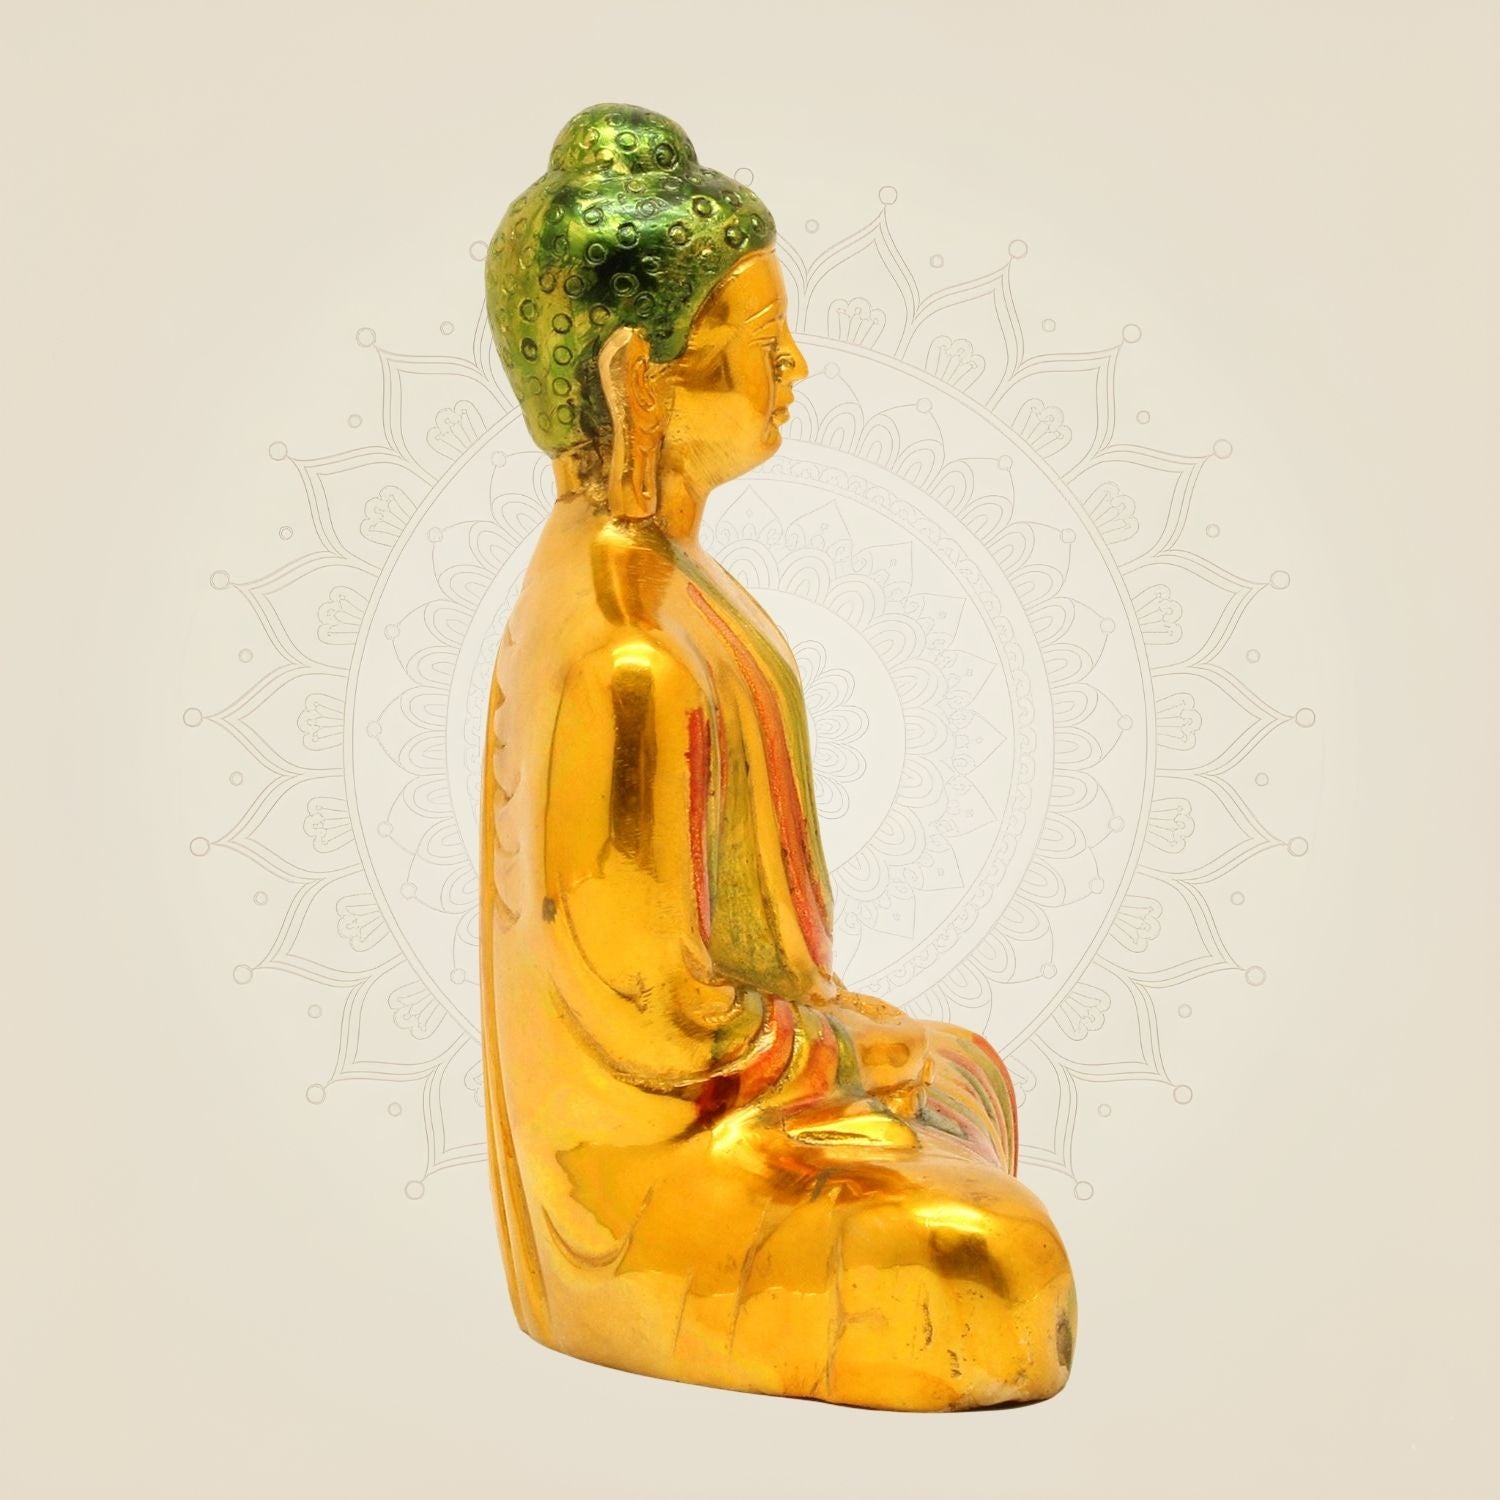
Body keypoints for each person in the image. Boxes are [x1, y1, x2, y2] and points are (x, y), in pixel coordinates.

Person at [480, 103, 1076, 1410]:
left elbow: (742, 981)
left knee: (969, 1067)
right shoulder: (624, 650)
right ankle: (629, 1299)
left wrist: (857, 1043)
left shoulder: (680, 584)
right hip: (648, 1178)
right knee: (995, 1265)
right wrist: (851, 1061)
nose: (794, 367)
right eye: (759, 342)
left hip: (755, 1097)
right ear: (637, 380)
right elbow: (658, 1031)